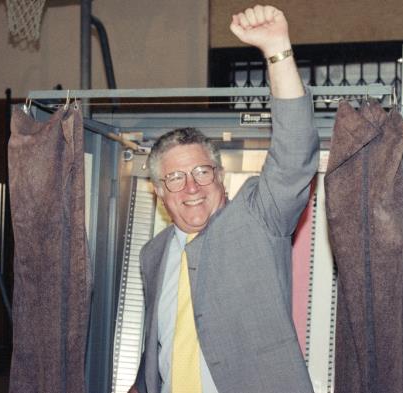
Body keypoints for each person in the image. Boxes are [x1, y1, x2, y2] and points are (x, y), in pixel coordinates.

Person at [130, 5, 319, 393]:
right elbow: (161, 341)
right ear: (159, 192)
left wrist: (277, 50)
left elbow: (295, 155)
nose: (192, 188)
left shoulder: (257, 220)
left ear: (221, 179)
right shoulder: (153, 253)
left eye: (202, 172)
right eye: (176, 178)